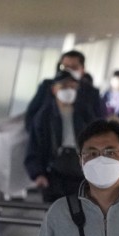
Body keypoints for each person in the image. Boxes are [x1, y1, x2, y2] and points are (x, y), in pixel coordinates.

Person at [25, 70, 101, 201]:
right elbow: (35, 147)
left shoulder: (85, 114)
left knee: (82, 210)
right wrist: (38, 174)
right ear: (54, 90)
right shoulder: (44, 116)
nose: (69, 90)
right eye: (64, 87)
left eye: (72, 87)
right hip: (53, 173)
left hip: (81, 171)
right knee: (56, 213)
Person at [24, 50, 104, 126]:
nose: (68, 70)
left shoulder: (91, 92)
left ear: (82, 70)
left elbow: (98, 121)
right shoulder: (47, 86)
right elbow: (31, 115)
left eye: (74, 67)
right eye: (65, 67)